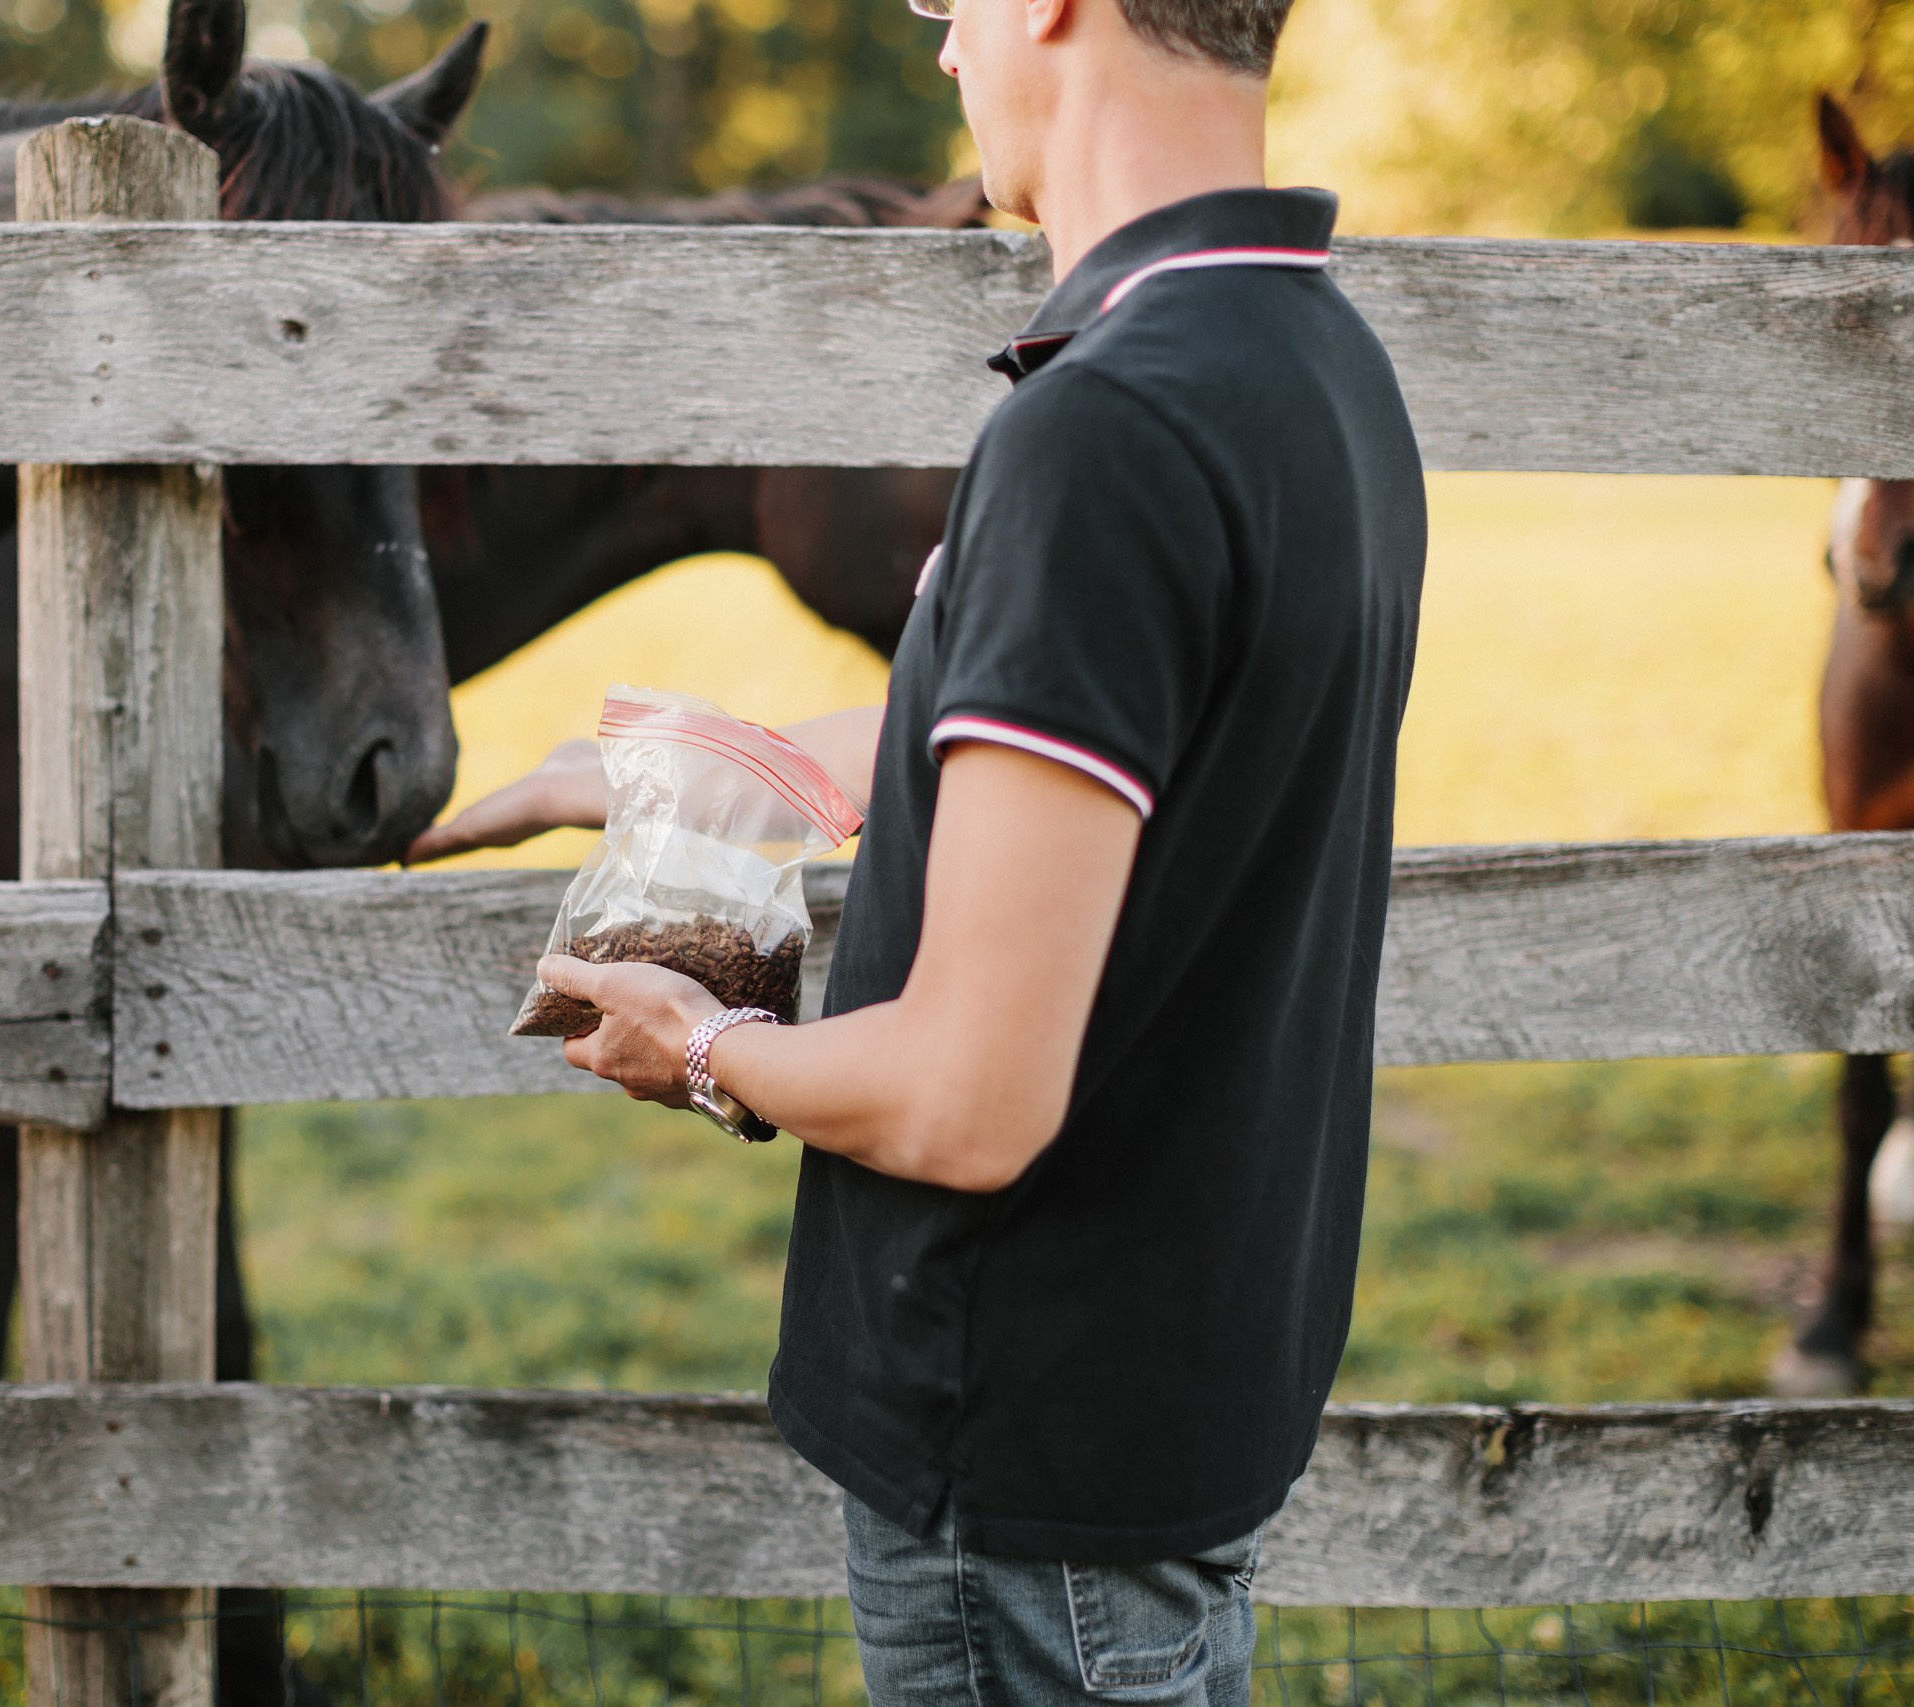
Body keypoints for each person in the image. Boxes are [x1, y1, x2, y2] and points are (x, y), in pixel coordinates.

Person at [405, 0, 1426, 1696]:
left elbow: (968, 1097)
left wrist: (710, 1047)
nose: (946, 55)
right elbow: (1105, 734)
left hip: (1019, 1462)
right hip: (1173, 1395)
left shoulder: (1100, 434)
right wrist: (692, 766)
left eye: (952, 7)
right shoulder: (1310, 364)